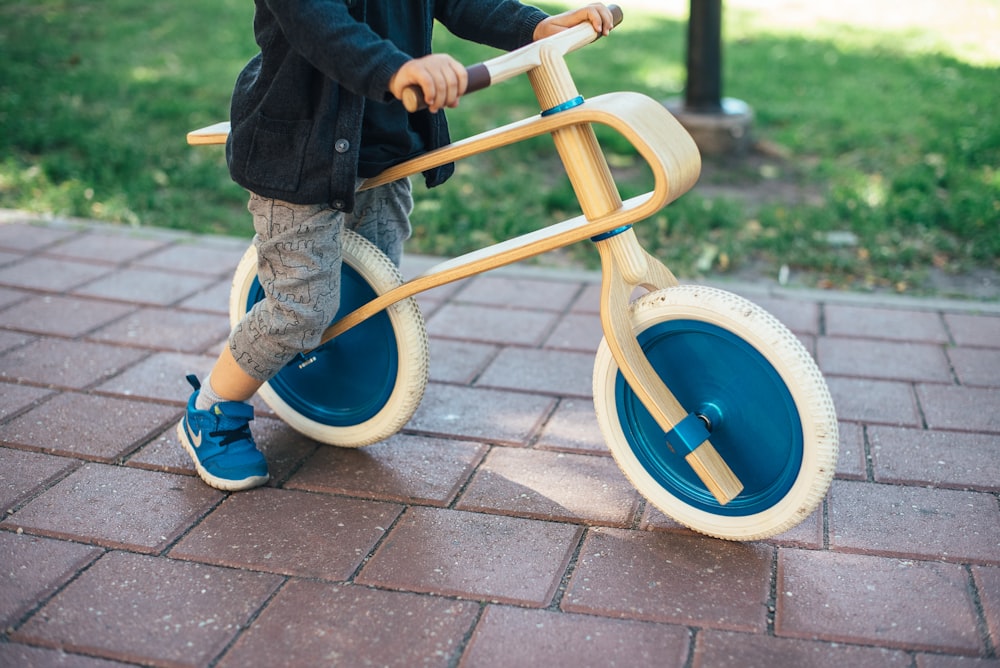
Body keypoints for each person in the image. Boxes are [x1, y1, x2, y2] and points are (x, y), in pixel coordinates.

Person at [178, 0, 617, 491]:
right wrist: (401, 69)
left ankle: (336, 376)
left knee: (372, 292)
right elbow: (323, 27)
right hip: (299, 159)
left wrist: (532, 25)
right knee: (300, 308)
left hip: (381, 150)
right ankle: (212, 408)